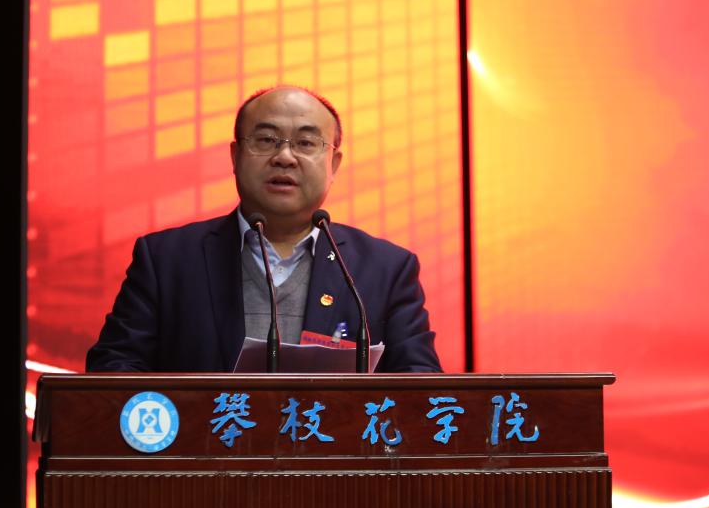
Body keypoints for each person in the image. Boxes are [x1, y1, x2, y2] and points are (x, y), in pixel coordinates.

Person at [86, 85, 442, 373]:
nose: (284, 157)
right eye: (266, 140)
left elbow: (421, 387)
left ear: (333, 164)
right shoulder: (167, 260)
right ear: (235, 156)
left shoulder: (385, 269)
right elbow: (114, 370)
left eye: (306, 143)